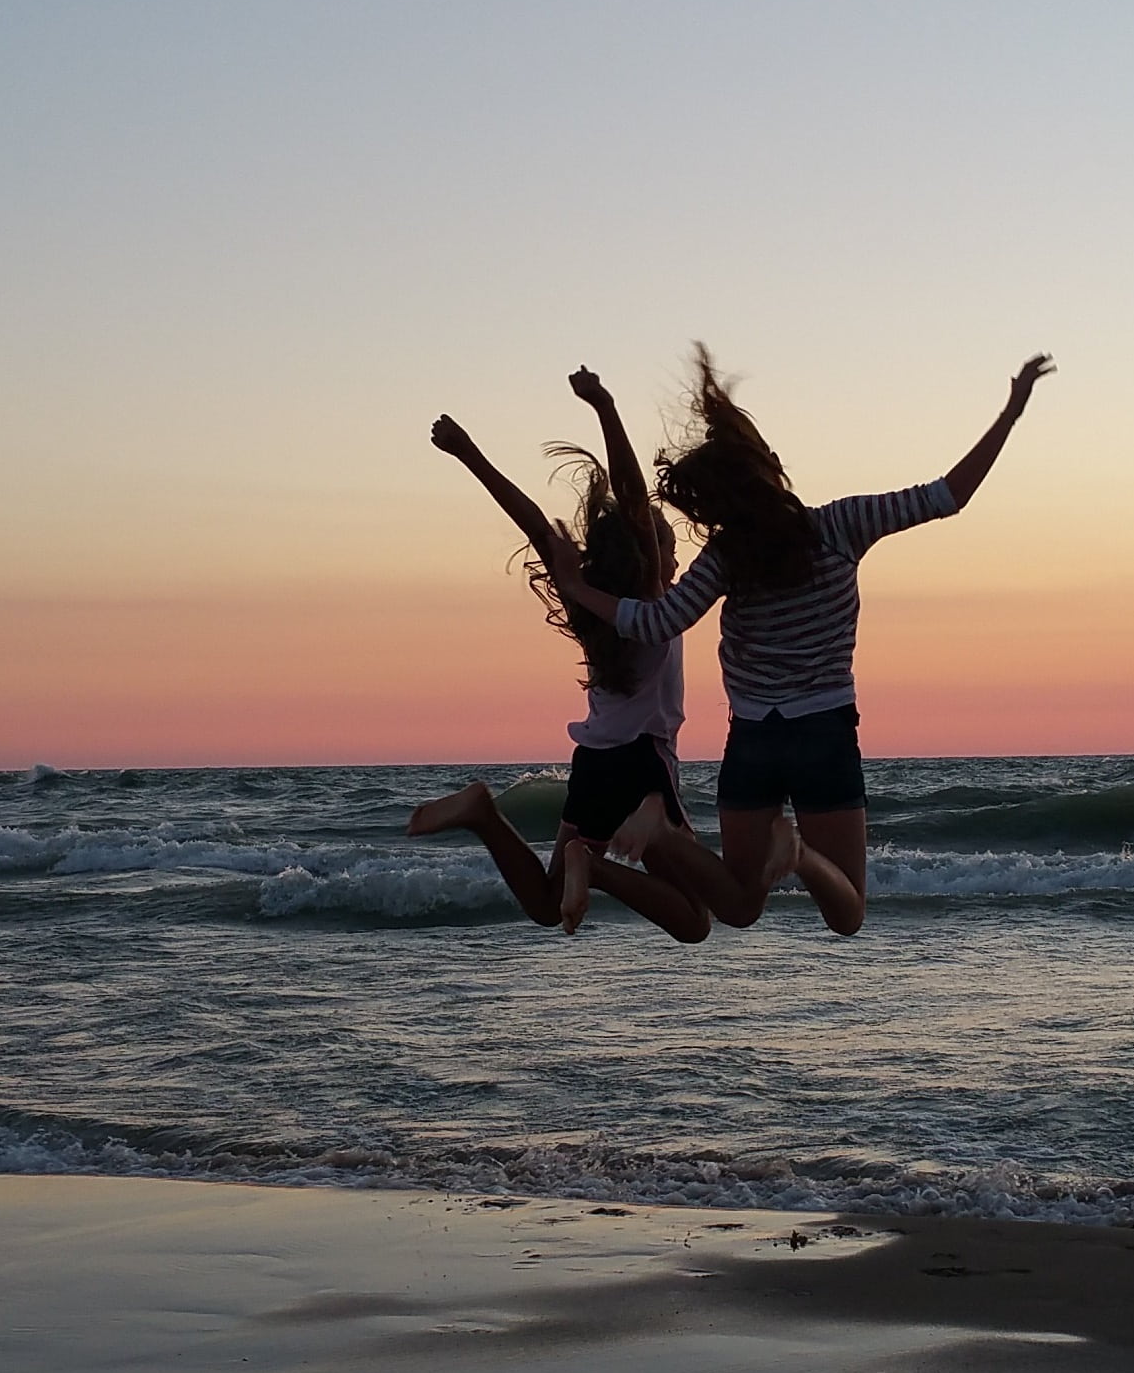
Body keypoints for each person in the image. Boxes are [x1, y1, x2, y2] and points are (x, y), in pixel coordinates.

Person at [547, 348, 1053, 937]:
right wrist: (1010, 413)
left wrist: (578, 587)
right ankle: (802, 857)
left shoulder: (726, 556)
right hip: (822, 733)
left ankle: (659, 831)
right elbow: (947, 495)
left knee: (738, 908)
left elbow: (657, 621)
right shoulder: (841, 525)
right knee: (849, 914)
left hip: (754, 740)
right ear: (770, 472)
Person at [407, 371, 709, 943]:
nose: (673, 555)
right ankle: (593, 869)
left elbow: (534, 526)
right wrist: (606, 407)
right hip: (644, 765)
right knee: (695, 920)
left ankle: (483, 814)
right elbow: (631, 496)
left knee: (548, 906)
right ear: (650, 557)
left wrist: (469, 454)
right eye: (667, 545)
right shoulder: (648, 605)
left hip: (594, 763)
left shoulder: (589, 609)